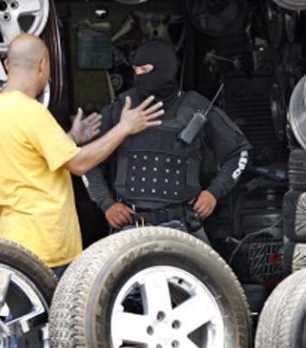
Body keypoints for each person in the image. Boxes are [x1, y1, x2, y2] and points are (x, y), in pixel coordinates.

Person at [0, 34, 164, 276]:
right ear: (44, 64)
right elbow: (78, 164)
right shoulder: (31, 112)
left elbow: (29, 157)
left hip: (15, 236)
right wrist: (124, 127)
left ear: (6, 64)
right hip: (45, 245)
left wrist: (73, 138)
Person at [84, 39, 251, 240]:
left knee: (206, 272)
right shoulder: (122, 108)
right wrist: (106, 203)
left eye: (145, 70)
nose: (139, 77)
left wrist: (213, 193)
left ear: (164, 69)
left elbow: (238, 151)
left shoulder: (196, 108)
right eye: (136, 71)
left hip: (185, 226)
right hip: (131, 226)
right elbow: (85, 158)